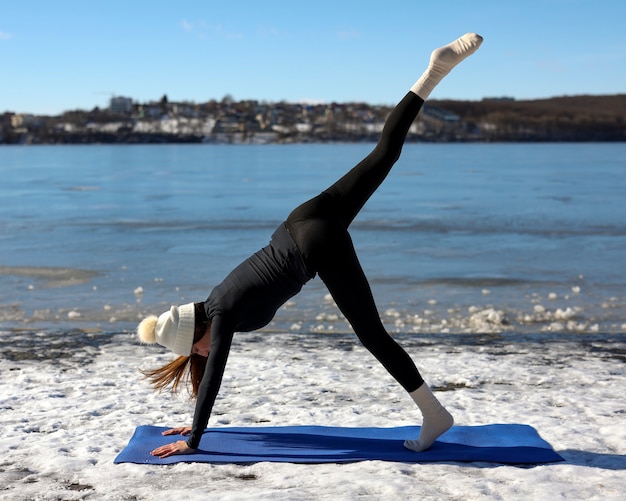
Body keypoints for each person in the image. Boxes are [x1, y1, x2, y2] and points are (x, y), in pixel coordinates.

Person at [138, 33, 483, 459]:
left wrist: (194, 440)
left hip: (312, 244)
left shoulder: (222, 314)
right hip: (302, 217)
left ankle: (435, 414)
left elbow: (214, 377)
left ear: (197, 334)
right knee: (385, 153)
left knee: (372, 335)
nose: (202, 355)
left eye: (195, 349)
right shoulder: (216, 301)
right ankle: (434, 72)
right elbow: (207, 370)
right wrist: (195, 421)